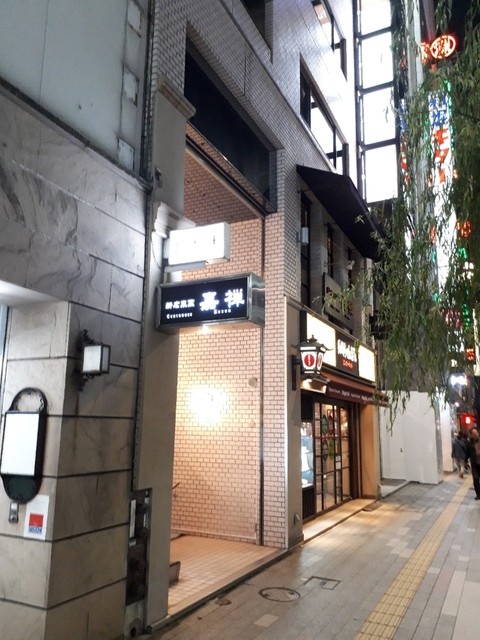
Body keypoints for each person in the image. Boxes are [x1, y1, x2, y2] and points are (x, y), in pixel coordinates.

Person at [466, 427, 480, 500]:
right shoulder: (469, 443)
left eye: (476, 433)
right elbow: (467, 453)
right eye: (473, 434)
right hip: (475, 465)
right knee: (476, 480)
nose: (475, 434)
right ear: (471, 435)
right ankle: (478, 494)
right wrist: (466, 462)